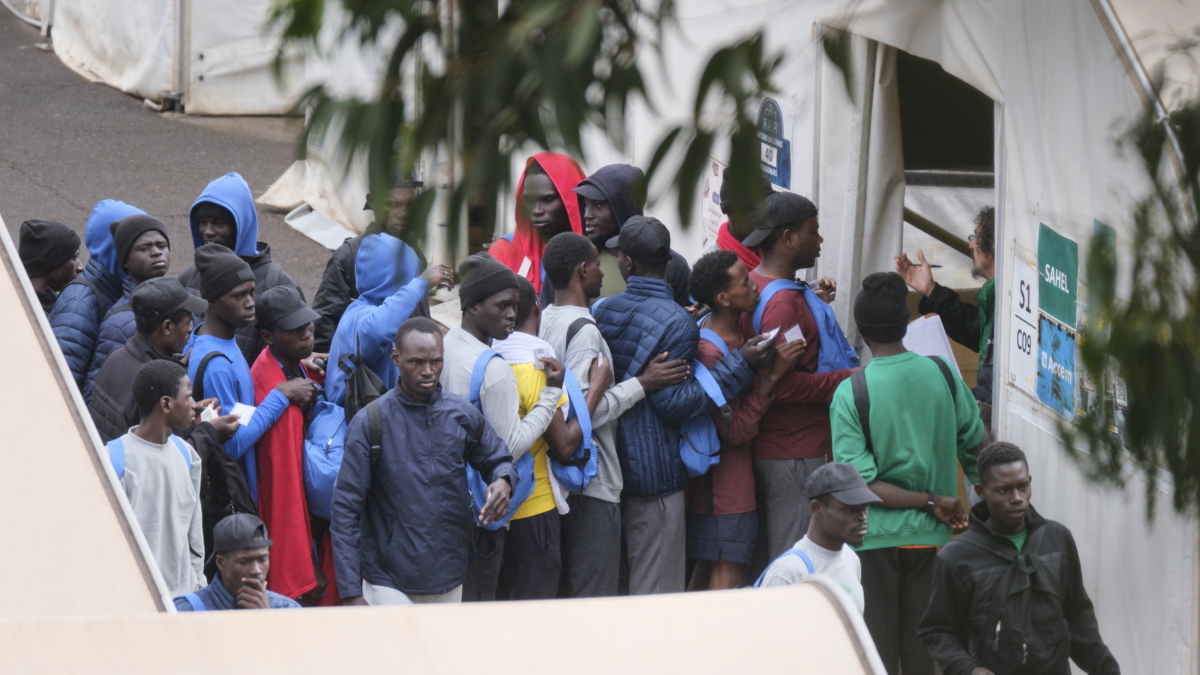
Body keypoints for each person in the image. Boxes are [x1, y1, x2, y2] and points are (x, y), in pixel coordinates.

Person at [593, 216, 771, 594]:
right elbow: (676, 404)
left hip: (607, 470)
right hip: (656, 476)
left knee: (617, 589)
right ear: (668, 262)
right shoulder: (678, 321)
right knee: (656, 594)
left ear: (627, 263)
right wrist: (743, 364)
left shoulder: (604, 311)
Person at [831, 272, 986, 675]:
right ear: (907, 323)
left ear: (862, 331)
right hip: (929, 541)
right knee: (923, 650)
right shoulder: (943, 374)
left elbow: (859, 484)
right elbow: (975, 445)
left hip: (873, 543)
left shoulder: (852, 391)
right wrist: (967, 506)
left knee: (876, 651)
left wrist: (933, 503)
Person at [539, 232, 690, 597]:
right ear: (582, 270)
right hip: (592, 482)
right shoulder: (586, 331)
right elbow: (575, 416)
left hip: (560, 481)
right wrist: (642, 382)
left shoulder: (547, 317)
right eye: (596, 264)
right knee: (594, 594)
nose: (604, 272)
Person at [333, 317, 517, 605]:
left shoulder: (461, 414)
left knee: (442, 652)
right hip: (388, 580)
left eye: (436, 361)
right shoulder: (370, 423)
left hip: (450, 576)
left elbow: (498, 458)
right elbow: (345, 510)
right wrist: (351, 593)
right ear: (396, 358)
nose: (428, 371)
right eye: (416, 362)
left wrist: (504, 480)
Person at [919, 443, 1121, 675]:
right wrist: (969, 669)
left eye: (1023, 487)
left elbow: (1079, 619)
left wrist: (1108, 670)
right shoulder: (956, 558)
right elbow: (935, 631)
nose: (1016, 498)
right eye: (1003, 490)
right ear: (981, 491)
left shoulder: (1058, 540)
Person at [736, 191, 857, 562]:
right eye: (813, 231)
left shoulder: (760, 285)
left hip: (787, 449)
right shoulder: (783, 304)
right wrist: (850, 378)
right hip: (793, 452)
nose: (820, 240)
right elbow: (782, 385)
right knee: (794, 557)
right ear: (789, 238)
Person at [440, 256, 564, 601]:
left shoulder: (449, 344)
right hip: (484, 504)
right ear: (473, 306)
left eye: (515, 305)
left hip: (450, 496)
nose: (512, 313)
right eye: (503, 305)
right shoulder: (494, 370)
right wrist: (551, 393)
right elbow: (510, 446)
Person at [686, 250, 805, 591]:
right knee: (727, 584)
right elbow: (735, 431)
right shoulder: (712, 352)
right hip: (725, 491)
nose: (756, 287)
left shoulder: (736, 329)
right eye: (745, 283)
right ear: (723, 298)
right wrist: (772, 379)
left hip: (724, 489)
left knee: (706, 574)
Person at [490, 276, 610, 599]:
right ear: (537, 309)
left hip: (493, 509)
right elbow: (565, 443)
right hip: (534, 508)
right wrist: (597, 386)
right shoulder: (537, 368)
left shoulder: (487, 361)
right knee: (536, 612)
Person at [185, 244, 317, 505]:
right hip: (235, 497)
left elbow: (241, 409)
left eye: (252, 293)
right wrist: (280, 393)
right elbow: (231, 443)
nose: (250, 303)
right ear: (211, 300)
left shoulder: (216, 338)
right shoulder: (217, 365)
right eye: (239, 296)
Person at [177, 172, 303, 364]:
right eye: (202, 222)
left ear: (241, 226)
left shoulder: (279, 286)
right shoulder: (188, 280)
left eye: (219, 223)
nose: (208, 231)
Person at [249, 286, 324, 603]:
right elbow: (284, 490)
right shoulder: (269, 386)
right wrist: (306, 563)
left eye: (308, 325)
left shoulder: (290, 363)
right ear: (268, 337)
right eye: (295, 331)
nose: (307, 335)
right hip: (288, 535)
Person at [106, 360, 205, 597]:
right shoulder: (113, 459)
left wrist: (198, 586)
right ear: (166, 404)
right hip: (135, 603)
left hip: (183, 600)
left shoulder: (187, 455)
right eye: (189, 397)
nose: (194, 405)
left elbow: (194, 533)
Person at [324, 232, 453, 406]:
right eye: (408, 278)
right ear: (394, 278)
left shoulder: (356, 308)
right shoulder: (366, 315)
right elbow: (377, 330)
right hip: (357, 423)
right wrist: (420, 284)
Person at [311, 181, 432, 354]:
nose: (403, 214)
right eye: (392, 205)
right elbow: (324, 330)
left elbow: (420, 313)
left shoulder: (414, 251)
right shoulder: (349, 256)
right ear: (373, 202)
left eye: (410, 205)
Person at [88, 277, 210, 443]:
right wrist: (210, 433)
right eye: (188, 322)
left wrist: (187, 407)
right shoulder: (157, 384)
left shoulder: (115, 356)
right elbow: (169, 458)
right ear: (167, 327)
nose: (191, 328)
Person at [895, 206, 996, 406]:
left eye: (975, 239)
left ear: (992, 247)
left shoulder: (1006, 300)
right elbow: (973, 328)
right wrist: (930, 289)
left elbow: (995, 382)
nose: (971, 246)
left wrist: (968, 405)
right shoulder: (995, 297)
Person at [756, 462, 882, 614]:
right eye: (849, 509)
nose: (861, 517)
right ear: (817, 508)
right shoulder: (789, 572)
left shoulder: (851, 559)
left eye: (864, 508)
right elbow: (764, 633)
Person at [50, 199, 145, 390]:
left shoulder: (117, 287)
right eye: (142, 245)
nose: (154, 253)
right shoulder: (79, 303)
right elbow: (62, 382)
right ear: (117, 247)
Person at [573, 164, 692, 306]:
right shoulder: (576, 261)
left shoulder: (672, 266)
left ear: (624, 207)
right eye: (586, 205)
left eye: (598, 205)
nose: (587, 215)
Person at [84, 214, 172, 401]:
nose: (156, 252)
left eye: (161, 245)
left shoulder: (176, 304)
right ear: (125, 261)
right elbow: (98, 388)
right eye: (144, 248)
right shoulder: (121, 322)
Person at [490, 153, 588, 307]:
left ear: (572, 200)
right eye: (529, 201)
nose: (536, 210)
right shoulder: (503, 251)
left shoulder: (595, 254)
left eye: (548, 199)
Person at [174, 514, 301, 610]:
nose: (257, 570)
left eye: (262, 559)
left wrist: (266, 619)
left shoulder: (287, 609)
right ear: (221, 563)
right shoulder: (186, 610)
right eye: (244, 561)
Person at [698, 168, 773, 271]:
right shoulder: (707, 270)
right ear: (733, 214)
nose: (766, 222)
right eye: (757, 216)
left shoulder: (772, 255)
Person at [18, 219, 82, 315]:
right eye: (74, 258)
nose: (81, 267)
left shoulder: (17, 301)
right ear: (52, 264)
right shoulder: (34, 321)